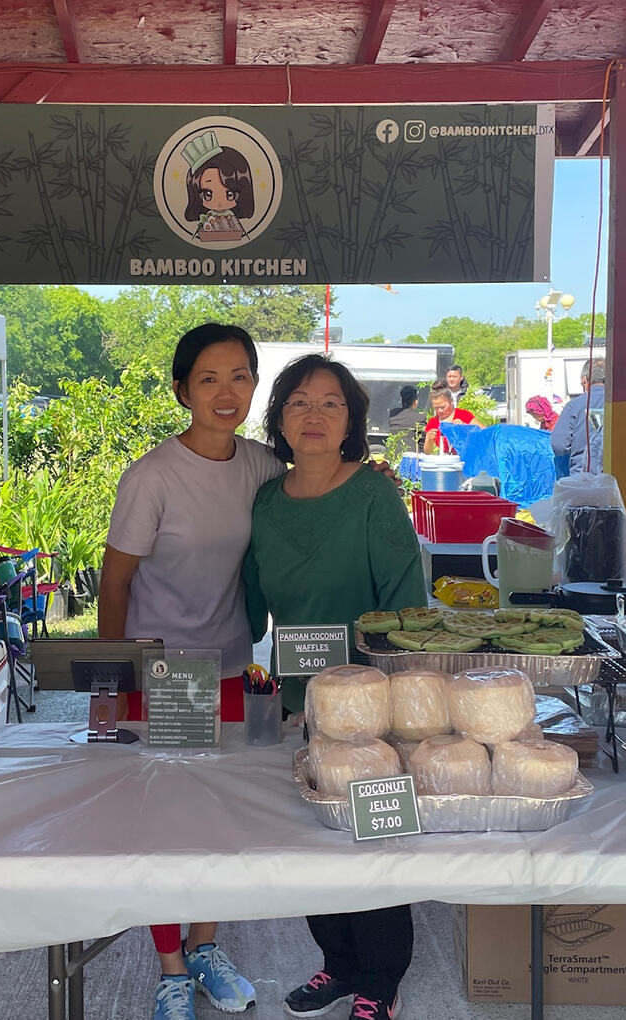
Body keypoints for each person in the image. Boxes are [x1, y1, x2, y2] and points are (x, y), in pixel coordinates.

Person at [98, 323, 275, 1020]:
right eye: (208, 378)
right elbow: (115, 584)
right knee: (166, 821)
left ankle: (205, 945)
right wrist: (113, 682)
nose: (226, 392)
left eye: (240, 376)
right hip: (166, 672)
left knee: (222, 815)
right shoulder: (152, 476)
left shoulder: (261, 466)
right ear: (181, 391)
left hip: (230, 662)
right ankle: (171, 967)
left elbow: (316, 499)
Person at [243, 354, 426, 1020]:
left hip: (375, 705)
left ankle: (381, 981)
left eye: (330, 403)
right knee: (316, 840)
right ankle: (339, 965)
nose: (314, 415)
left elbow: (406, 602)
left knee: (374, 841)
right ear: (280, 419)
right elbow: (250, 602)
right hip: (303, 704)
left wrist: (399, 695)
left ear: (351, 420)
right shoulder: (266, 503)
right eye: (298, 401)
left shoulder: (373, 493)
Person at [550, 358, 605, 474]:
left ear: (584, 380)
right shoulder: (624, 406)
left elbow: (559, 445)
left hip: (582, 476)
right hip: (618, 478)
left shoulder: (574, 406)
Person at [422, 380, 476, 454]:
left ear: (451, 401)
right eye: (436, 408)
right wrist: (429, 440)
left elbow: (484, 433)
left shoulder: (463, 415)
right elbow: (427, 452)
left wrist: (466, 427)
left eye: (443, 407)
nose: (440, 411)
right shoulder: (433, 422)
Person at [386, 384, 426, 452]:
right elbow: (423, 443)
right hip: (411, 454)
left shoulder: (393, 413)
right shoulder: (420, 418)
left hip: (393, 452)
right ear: (415, 401)